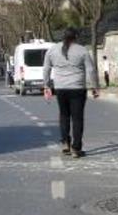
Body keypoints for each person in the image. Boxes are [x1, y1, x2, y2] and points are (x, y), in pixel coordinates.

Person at [42, 28, 99, 158]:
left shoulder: (52, 50)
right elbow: (91, 70)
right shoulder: (82, 50)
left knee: (64, 115)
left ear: (63, 37)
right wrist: (95, 87)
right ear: (76, 37)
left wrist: (46, 85)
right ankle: (76, 148)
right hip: (78, 88)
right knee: (77, 118)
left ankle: (65, 143)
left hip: (60, 88)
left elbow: (46, 69)